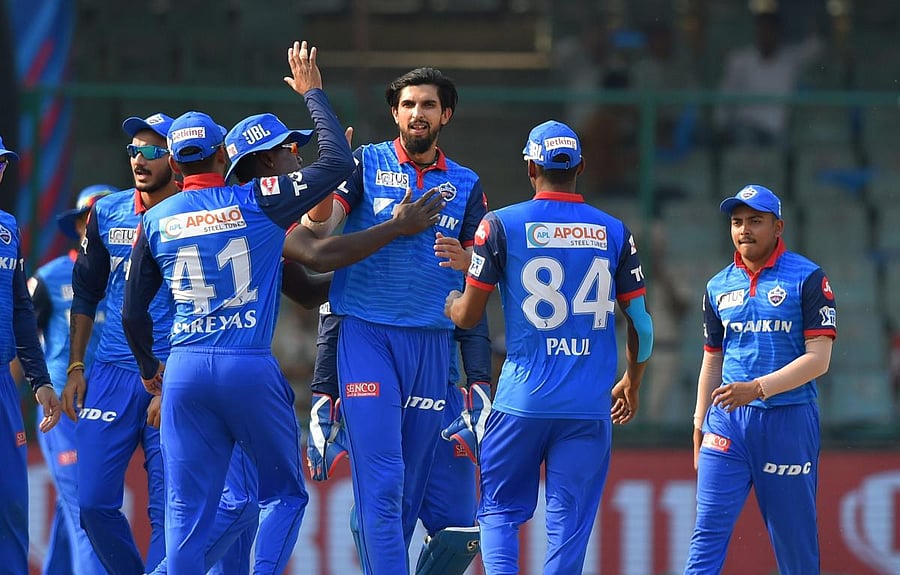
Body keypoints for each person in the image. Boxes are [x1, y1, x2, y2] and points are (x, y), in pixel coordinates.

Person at [121, 40, 354, 574]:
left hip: (182, 370)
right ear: (224, 156)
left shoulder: (155, 220)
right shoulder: (258, 198)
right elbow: (338, 161)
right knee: (284, 495)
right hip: (247, 364)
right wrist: (313, 93)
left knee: (185, 512)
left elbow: (133, 312)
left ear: (176, 164)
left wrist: (151, 372)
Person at [299, 66, 488, 574]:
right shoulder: (366, 162)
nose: (416, 114)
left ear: (444, 114)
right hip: (365, 336)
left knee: (410, 497)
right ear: (394, 113)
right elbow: (320, 228)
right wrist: (328, 172)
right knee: (383, 481)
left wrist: (469, 262)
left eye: (427, 105)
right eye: (407, 105)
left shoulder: (466, 184)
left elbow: (480, 276)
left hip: (431, 345)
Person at [445, 119, 653, 574]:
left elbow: (468, 316)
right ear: (580, 166)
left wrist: (452, 300)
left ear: (529, 167)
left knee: (498, 511)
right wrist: (632, 382)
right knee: (568, 530)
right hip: (586, 408)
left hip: (520, 402)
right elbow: (642, 325)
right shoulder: (614, 231)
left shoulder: (498, 224)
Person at [684, 184, 836, 574]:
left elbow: (818, 360)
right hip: (728, 423)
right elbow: (712, 361)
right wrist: (699, 420)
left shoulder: (808, 277)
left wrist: (757, 388)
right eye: (737, 222)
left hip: (788, 421)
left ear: (778, 226)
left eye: (755, 221)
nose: (744, 230)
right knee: (706, 533)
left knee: (794, 542)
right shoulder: (718, 286)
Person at [61, 112, 177, 574]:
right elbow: (86, 292)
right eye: (133, 151)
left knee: (169, 509)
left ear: (175, 158)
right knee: (91, 505)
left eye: (151, 152)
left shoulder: (198, 211)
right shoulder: (106, 212)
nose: (139, 160)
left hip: (172, 372)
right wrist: (74, 368)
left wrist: (176, 378)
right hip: (109, 373)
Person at [30, 184, 115, 574]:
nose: (98, 227)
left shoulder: (135, 275)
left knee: (77, 509)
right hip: (64, 409)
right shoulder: (48, 278)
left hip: (112, 404)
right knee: (84, 510)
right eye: (91, 219)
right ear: (80, 224)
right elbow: (19, 345)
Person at [0, 134, 60, 573]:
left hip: (3, 382)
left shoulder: (8, 230)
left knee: (11, 505)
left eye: (0, 163)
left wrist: (39, 380)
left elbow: (22, 309)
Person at [715, 11, 821, 146]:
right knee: (744, 144)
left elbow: (815, 47)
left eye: (771, 31)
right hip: (746, 126)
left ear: (779, 33)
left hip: (776, 131)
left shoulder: (789, 60)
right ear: (756, 32)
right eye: (762, 30)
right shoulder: (740, 60)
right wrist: (721, 127)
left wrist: (813, 19)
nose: (766, 35)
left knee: (788, 148)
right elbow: (726, 95)